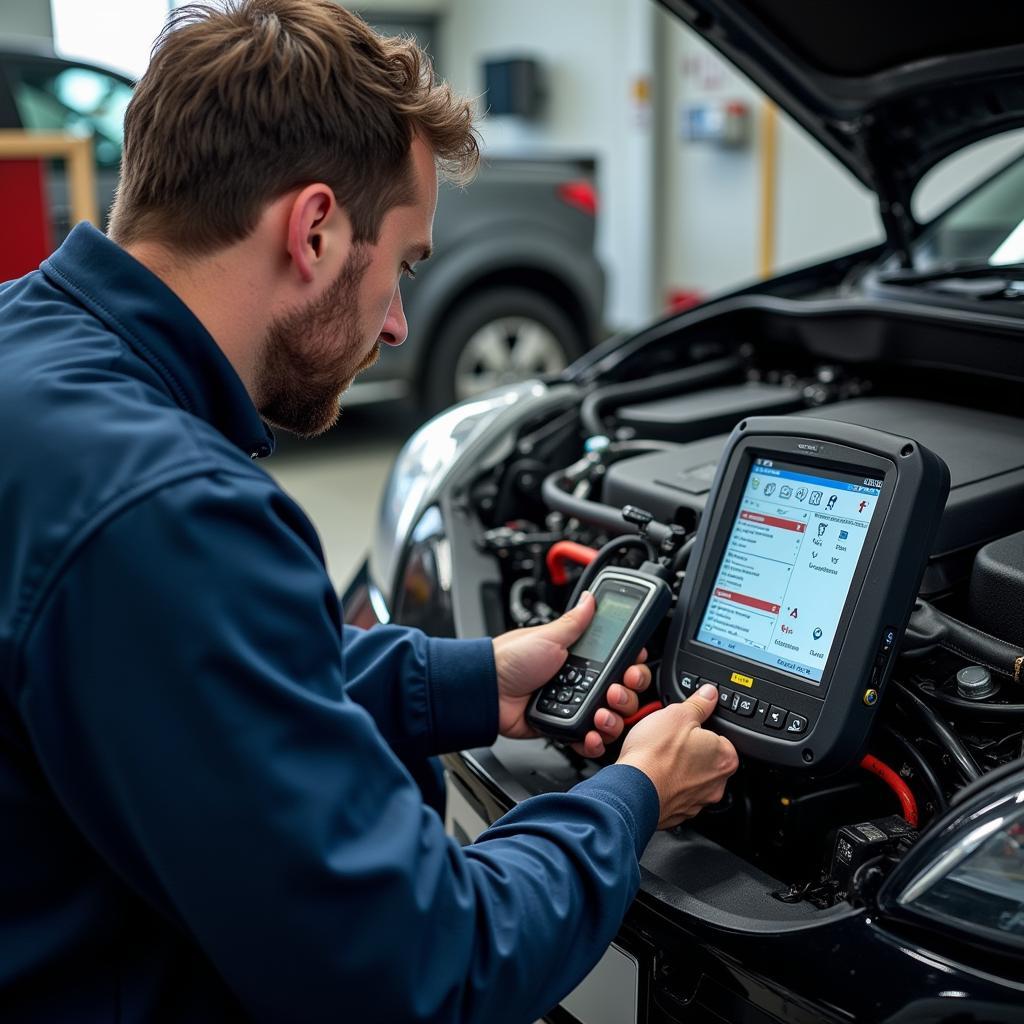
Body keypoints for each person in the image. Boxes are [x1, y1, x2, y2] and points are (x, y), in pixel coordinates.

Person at [0, 2, 738, 1021]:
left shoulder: (29, 357)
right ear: (313, 229)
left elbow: (171, 671)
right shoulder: (171, 510)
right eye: (403, 264)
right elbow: (421, 967)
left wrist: (470, 680)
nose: (396, 322)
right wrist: (633, 794)